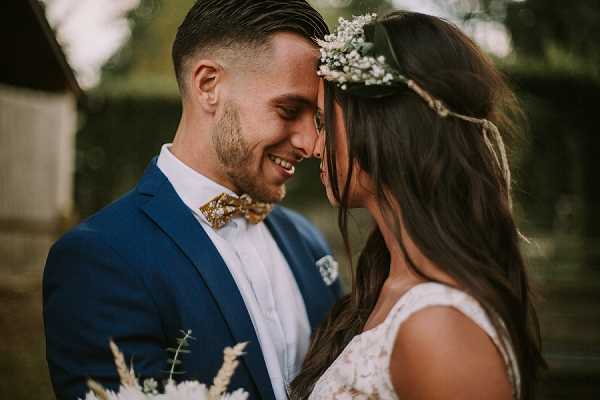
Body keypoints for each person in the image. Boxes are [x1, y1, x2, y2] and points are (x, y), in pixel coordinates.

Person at [43, 1, 342, 399]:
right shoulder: (99, 260)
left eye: (317, 119)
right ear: (208, 86)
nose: (312, 143)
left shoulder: (307, 240)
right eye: (289, 110)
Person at [290, 11, 546, 400]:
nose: (312, 146)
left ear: (385, 126)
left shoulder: (441, 326)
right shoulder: (384, 286)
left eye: (324, 123)